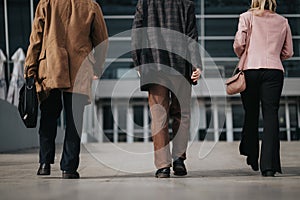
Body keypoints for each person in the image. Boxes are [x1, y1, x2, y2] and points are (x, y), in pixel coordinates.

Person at [24, 0, 108, 179]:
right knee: (74, 120)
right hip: (80, 67)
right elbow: (102, 41)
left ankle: (44, 163)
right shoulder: (91, 5)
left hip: (51, 66)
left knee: (48, 115)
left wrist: (30, 67)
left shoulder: (47, 2)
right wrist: (97, 67)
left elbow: (36, 37)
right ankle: (68, 168)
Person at [132, 0, 202, 178]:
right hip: (181, 64)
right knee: (182, 114)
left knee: (158, 115)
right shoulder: (186, 3)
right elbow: (191, 36)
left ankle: (163, 166)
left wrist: (138, 62)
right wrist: (196, 64)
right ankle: (179, 160)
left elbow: (137, 33)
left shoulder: (146, 3)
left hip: (154, 65)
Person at [233, 0, 293, 177]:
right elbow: (288, 52)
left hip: (250, 69)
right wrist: (273, 56)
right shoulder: (282, 21)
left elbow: (238, 44)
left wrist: (245, 54)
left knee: (251, 112)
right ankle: (268, 166)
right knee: (271, 115)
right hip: (274, 70)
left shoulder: (246, 17)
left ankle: (251, 153)